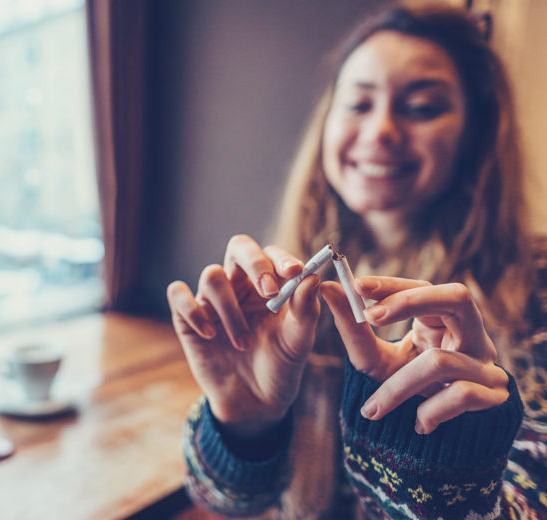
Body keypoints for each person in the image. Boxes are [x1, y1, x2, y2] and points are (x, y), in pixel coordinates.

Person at [166, 2, 546, 519]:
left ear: (475, 132)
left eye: (423, 106)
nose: (382, 130)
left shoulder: (536, 286)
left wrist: (450, 470)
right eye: (359, 103)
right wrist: (243, 423)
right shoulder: (285, 291)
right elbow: (226, 502)